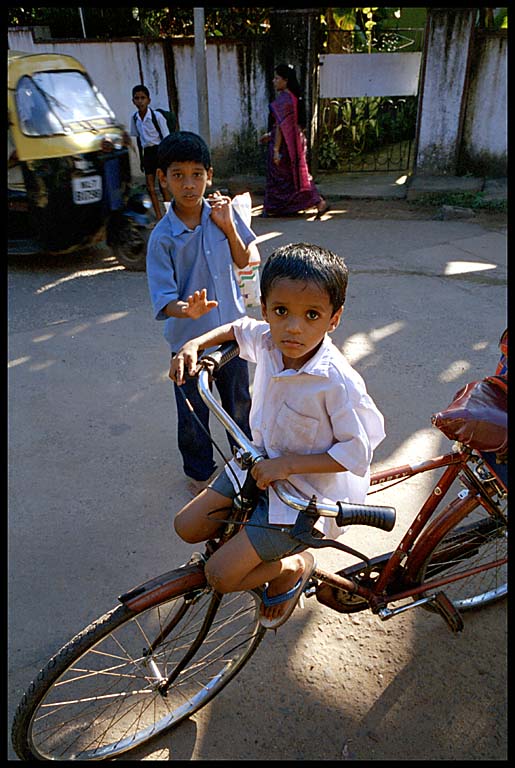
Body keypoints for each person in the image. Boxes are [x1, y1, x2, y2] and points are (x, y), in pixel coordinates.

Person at [169, 242, 385, 628]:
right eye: (281, 311)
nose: (293, 327)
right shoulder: (269, 341)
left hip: (301, 495)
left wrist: (286, 466)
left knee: (219, 575)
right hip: (256, 464)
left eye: (312, 315)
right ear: (265, 308)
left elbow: (355, 454)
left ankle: (292, 566)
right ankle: (255, 543)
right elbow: (237, 327)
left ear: (333, 319)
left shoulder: (337, 382)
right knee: (186, 527)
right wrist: (194, 344)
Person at [146, 131, 259, 497]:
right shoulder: (162, 238)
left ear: (209, 174)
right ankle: (199, 474)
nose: (189, 184)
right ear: (163, 179)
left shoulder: (221, 215)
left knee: (239, 403)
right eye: (178, 175)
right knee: (193, 414)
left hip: (231, 336)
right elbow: (164, 300)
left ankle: (246, 462)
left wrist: (227, 225)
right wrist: (187, 309)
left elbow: (244, 261)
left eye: (197, 174)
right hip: (190, 346)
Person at [260, 64, 330, 219]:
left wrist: (276, 150)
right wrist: (270, 136)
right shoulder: (293, 97)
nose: (274, 81)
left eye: (277, 78)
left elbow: (280, 126)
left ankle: (313, 202)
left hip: (285, 145)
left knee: (283, 177)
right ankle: (314, 203)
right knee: (296, 175)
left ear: (285, 80)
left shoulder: (284, 100)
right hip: (294, 142)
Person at [130, 84, 171, 220]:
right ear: (133, 101)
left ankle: (170, 215)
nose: (140, 101)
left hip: (159, 151)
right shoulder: (135, 119)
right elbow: (138, 139)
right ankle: (159, 217)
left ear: (149, 100)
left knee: (163, 186)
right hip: (147, 153)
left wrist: (166, 157)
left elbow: (166, 137)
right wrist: (141, 159)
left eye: (143, 98)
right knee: (150, 187)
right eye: (137, 98)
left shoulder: (157, 117)